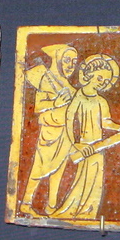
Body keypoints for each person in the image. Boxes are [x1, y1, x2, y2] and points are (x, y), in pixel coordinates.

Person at [53, 54, 120, 220]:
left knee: (94, 180)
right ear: (89, 74)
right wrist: (74, 143)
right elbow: (69, 120)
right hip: (83, 146)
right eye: (99, 78)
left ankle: (88, 212)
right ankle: (71, 211)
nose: (102, 83)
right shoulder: (78, 97)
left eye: (105, 81)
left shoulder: (101, 101)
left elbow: (106, 123)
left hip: (98, 147)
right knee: (81, 179)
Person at [20, 44, 78, 215]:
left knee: (59, 169)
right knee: (39, 167)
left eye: (74, 62)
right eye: (66, 60)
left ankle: (51, 205)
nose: (70, 65)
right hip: (50, 131)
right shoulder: (44, 79)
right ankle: (26, 203)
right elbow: (38, 106)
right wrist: (55, 103)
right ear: (57, 59)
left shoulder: (69, 86)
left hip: (66, 132)